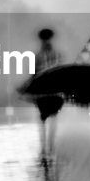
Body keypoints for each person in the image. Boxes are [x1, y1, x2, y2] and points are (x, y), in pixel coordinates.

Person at [33, 27, 64, 161]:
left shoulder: (37, 56)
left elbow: (34, 75)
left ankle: (44, 147)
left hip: (43, 93)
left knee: (43, 119)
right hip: (55, 92)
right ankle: (50, 146)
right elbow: (61, 72)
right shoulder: (57, 54)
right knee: (53, 119)